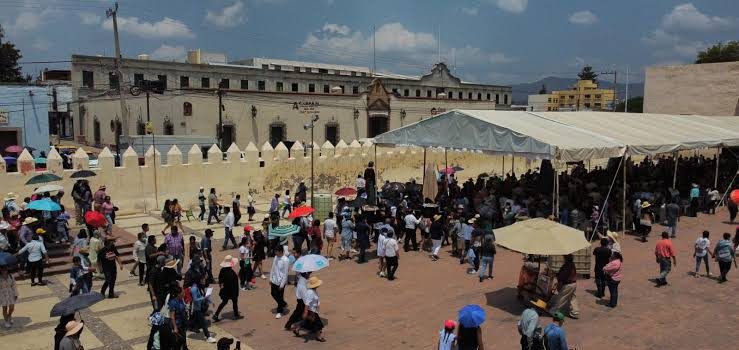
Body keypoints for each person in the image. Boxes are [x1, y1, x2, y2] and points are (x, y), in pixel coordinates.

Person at [294, 276, 325, 342]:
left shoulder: (313, 291)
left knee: (308, 322)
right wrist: (305, 312)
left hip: (313, 310)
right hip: (312, 311)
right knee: (319, 324)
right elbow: (307, 303)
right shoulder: (310, 292)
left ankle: (297, 328)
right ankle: (319, 337)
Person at [547, 254, 579, 319]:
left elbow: (562, 277)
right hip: (573, 283)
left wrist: (558, 282)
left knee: (562, 298)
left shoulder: (567, 266)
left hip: (568, 284)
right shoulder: (571, 264)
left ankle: (554, 311)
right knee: (572, 297)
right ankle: (575, 312)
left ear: (566, 258)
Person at [213, 255, 243, 321]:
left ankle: (216, 314)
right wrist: (236, 293)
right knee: (234, 302)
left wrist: (221, 286)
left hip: (225, 290)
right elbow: (234, 284)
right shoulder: (231, 273)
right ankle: (236, 314)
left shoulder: (223, 270)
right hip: (231, 291)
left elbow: (220, 280)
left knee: (224, 302)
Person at [191, 275, 217, 343]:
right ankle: (208, 337)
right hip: (197, 308)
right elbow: (195, 300)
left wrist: (211, 302)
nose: (204, 281)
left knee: (195, 321)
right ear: (199, 280)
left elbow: (205, 295)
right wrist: (204, 298)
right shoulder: (194, 289)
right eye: (203, 280)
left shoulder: (201, 287)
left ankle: (193, 327)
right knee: (203, 323)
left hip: (202, 307)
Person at [270, 246, 289, 319]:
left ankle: (280, 311)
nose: (275, 253)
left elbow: (285, 273)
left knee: (280, 295)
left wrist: (282, 284)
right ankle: (283, 303)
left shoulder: (286, 260)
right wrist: (271, 278)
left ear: (281, 251)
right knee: (273, 293)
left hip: (281, 281)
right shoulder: (276, 257)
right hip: (275, 279)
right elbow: (273, 267)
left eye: (276, 251)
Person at [168, 285, 188, 350]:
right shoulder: (173, 303)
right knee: (178, 341)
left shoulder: (181, 300)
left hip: (182, 323)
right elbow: (172, 316)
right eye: (182, 292)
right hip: (177, 324)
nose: (184, 293)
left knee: (183, 337)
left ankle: (184, 347)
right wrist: (175, 327)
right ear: (178, 294)